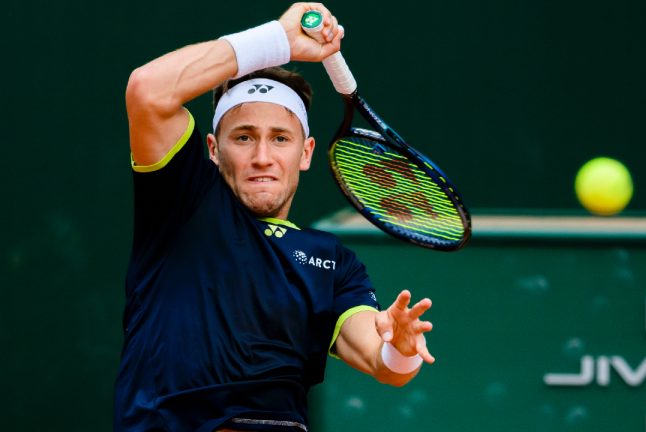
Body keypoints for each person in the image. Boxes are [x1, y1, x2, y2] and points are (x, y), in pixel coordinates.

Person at [115, 3, 435, 431]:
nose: (262, 157)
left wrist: (401, 344)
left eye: (280, 138)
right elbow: (147, 91)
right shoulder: (184, 203)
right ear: (213, 149)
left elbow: (387, 366)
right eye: (244, 137)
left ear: (304, 153)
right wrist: (277, 41)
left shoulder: (334, 263)